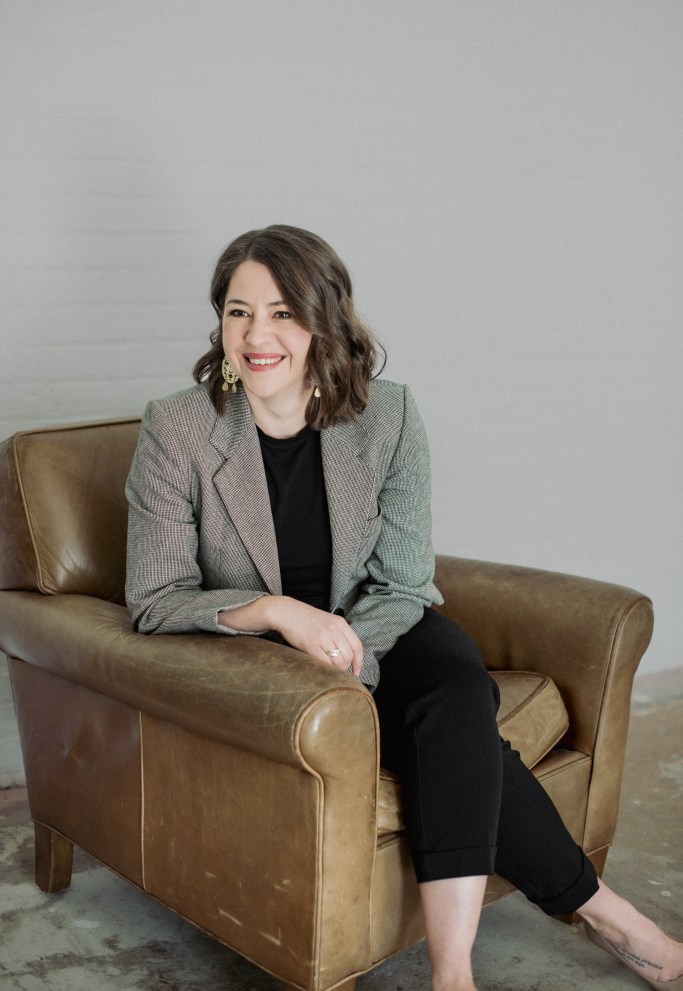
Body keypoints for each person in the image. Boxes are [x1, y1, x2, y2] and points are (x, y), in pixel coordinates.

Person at [125, 224, 682, 991]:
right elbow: (155, 596)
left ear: (324, 319)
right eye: (238, 311)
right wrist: (278, 611)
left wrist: (348, 654)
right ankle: (612, 918)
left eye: (283, 312)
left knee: (456, 692)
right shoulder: (178, 427)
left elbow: (404, 581)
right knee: (464, 736)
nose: (256, 335)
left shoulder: (386, 415)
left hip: (380, 626)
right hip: (260, 657)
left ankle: (451, 975)